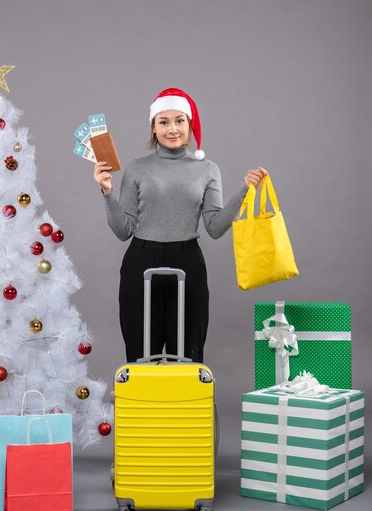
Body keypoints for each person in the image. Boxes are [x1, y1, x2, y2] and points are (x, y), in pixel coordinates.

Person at [93, 87, 267, 363]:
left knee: (188, 354)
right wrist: (106, 192)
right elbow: (122, 230)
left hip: (187, 261)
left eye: (179, 121)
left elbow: (215, 226)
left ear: (190, 125)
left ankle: (184, 405)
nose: (172, 129)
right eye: (163, 122)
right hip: (141, 262)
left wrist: (245, 191)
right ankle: (145, 405)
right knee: (141, 355)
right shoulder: (137, 168)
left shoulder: (207, 169)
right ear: (153, 128)